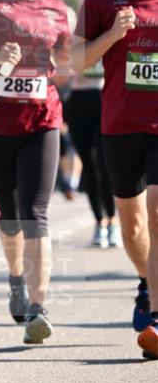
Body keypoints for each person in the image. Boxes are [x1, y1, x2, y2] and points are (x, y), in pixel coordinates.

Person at [0, 0, 71, 344]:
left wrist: (62, 65)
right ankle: (16, 278)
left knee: (36, 213)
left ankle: (38, 306)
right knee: (10, 215)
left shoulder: (59, 10)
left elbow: (69, 64)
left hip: (42, 117)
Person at [72, 0, 158, 360]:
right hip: (121, 124)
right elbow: (77, 61)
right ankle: (147, 282)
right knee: (133, 226)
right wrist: (111, 35)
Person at [63, 57, 119, 247]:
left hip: (105, 97)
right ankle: (99, 222)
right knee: (88, 164)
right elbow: (61, 74)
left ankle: (112, 220)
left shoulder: (111, 30)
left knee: (105, 164)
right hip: (78, 102)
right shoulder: (72, 30)